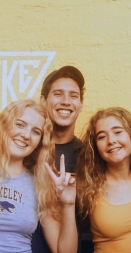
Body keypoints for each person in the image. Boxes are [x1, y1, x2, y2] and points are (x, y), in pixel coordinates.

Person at [0, 99, 77, 253]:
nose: (26, 135)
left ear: (40, 142)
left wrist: (68, 204)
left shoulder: (40, 185)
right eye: (20, 124)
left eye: (36, 132)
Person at [76, 107, 131, 253]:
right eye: (101, 137)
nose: (111, 140)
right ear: (95, 146)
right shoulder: (87, 186)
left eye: (118, 132)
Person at [33, 65, 90, 252]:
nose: (66, 101)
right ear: (43, 101)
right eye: (58, 94)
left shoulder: (90, 155)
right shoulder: (26, 148)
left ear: (81, 105)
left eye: (73, 96)